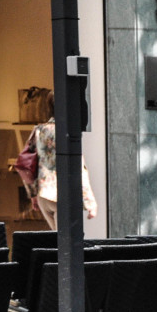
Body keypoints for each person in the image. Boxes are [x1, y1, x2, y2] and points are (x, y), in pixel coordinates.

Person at [26, 91, 98, 229]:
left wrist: (33, 195)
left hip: (43, 196)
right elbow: (78, 168)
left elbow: (27, 164)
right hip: (62, 196)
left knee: (58, 242)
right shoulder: (67, 133)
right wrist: (89, 201)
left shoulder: (39, 130)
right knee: (68, 244)